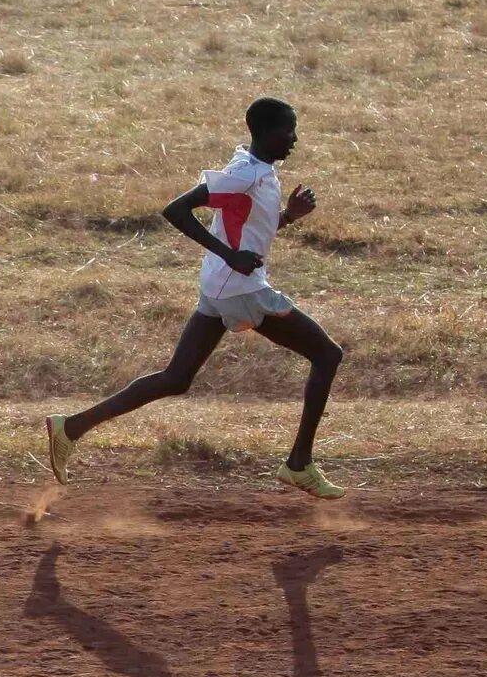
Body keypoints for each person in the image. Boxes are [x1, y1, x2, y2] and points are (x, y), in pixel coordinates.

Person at [44, 96, 347, 499]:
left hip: (221, 286)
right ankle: (299, 464)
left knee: (176, 378)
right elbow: (177, 209)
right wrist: (230, 256)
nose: (294, 138)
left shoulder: (260, 172)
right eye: (288, 130)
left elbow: (247, 223)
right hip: (241, 289)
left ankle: (72, 427)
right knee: (327, 355)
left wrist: (288, 217)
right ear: (265, 133)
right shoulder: (244, 173)